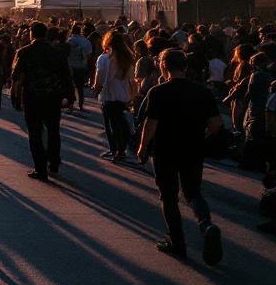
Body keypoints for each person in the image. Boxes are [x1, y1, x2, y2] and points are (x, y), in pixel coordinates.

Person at [137, 49, 224, 264]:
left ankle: (177, 242)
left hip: (165, 148)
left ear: (163, 66)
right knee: (193, 193)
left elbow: (151, 124)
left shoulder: (158, 92)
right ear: (185, 67)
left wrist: (142, 147)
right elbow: (215, 123)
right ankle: (206, 223)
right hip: (193, 148)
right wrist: (201, 138)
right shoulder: (202, 92)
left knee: (168, 196)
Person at [11, 22, 77, 181]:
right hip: (53, 97)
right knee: (53, 129)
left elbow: (16, 77)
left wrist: (16, 96)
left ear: (32, 34)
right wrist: (70, 96)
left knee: (35, 133)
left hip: (32, 97)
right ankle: (54, 160)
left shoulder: (25, 52)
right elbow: (66, 76)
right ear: (46, 34)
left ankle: (40, 169)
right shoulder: (57, 53)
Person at [94, 31, 137, 163]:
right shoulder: (127, 57)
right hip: (123, 95)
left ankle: (115, 151)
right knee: (120, 123)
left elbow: (99, 80)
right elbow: (131, 79)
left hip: (109, 95)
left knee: (111, 124)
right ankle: (121, 149)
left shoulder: (104, 58)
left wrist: (96, 91)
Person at [66, 24, 93, 111]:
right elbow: (90, 52)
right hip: (81, 65)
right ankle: (81, 103)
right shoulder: (85, 41)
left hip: (70, 66)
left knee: (70, 87)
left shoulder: (69, 41)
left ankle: (70, 106)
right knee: (80, 87)